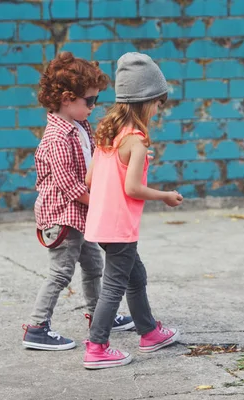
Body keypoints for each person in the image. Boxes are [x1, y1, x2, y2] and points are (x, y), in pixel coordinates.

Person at [22, 52, 134, 351]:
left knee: (94, 266)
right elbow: (70, 187)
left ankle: (100, 315)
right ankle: (37, 327)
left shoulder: (79, 125)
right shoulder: (56, 137)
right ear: (66, 98)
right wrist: (101, 203)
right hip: (62, 217)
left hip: (80, 216)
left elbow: (95, 159)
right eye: (90, 101)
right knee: (60, 273)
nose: (94, 107)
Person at [82, 52, 184, 369]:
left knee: (135, 276)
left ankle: (149, 331)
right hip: (120, 226)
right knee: (115, 285)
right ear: (145, 101)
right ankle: (97, 347)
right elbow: (132, 189)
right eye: (157, 103)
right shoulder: (136, 141)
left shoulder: (107, 134)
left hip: (100, 224)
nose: (158, 109)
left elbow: (89, 178)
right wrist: (166, 195)